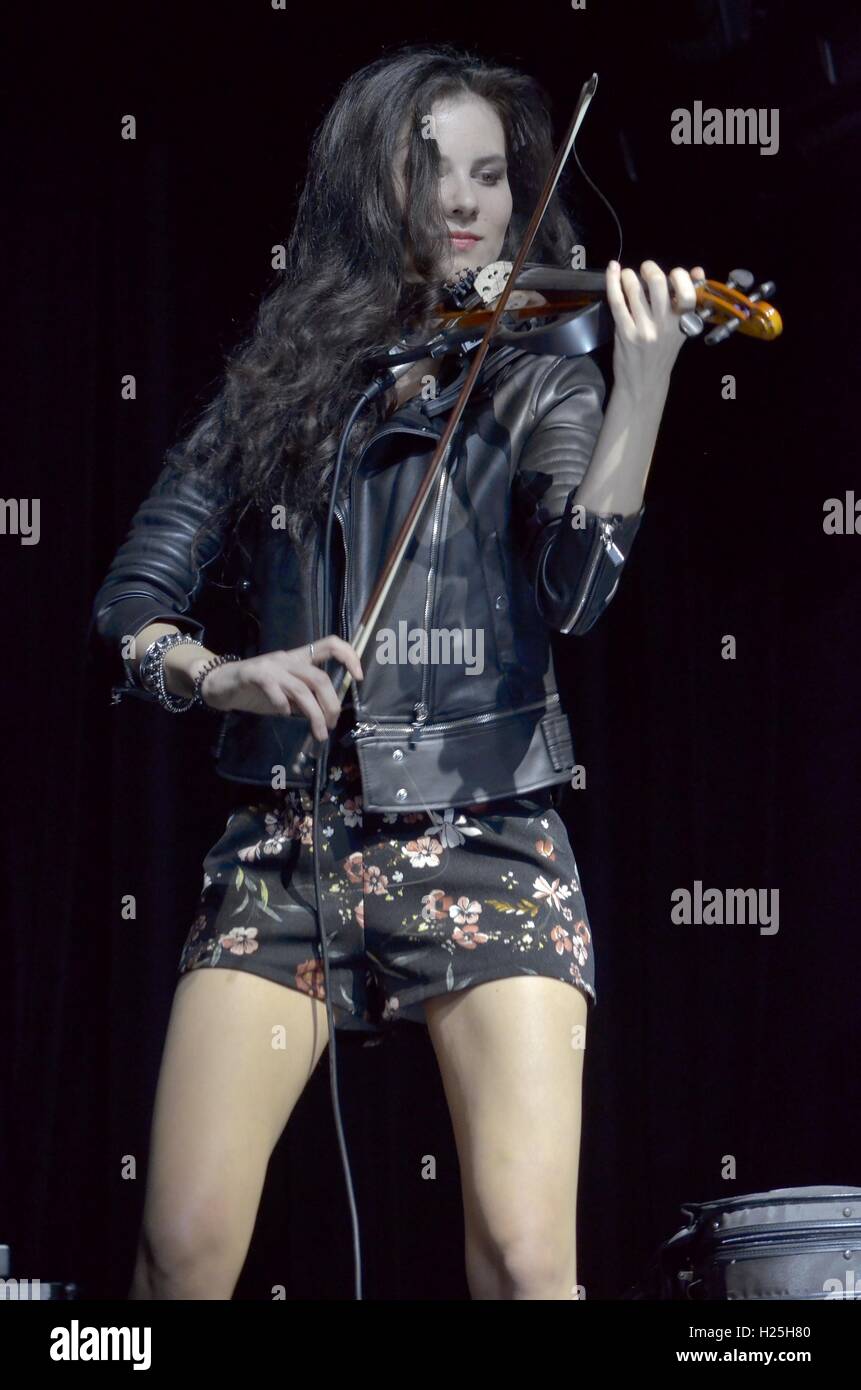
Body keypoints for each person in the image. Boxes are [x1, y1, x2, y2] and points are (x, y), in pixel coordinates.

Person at [90, 44, 703, 1301]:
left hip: (488, 836)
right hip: (286, 839)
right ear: (377, 189)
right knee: (180, 1250)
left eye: (493, 173)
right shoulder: (283, 379)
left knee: (530, 1259)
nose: (469, 201)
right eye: (435, 172)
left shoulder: (541, 374)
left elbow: (577, 599)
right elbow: (129, 604)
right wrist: (224, 675)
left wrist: (639, 387)